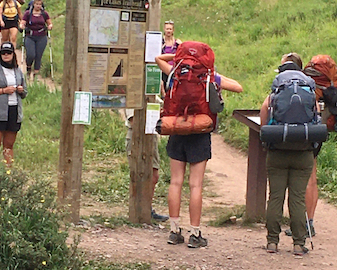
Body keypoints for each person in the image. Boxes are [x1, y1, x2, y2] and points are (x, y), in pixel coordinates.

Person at [155, 51, 243, 248]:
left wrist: (177, 57)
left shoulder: (175, 73)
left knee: (176, 182)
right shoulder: (210, 77)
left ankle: (174, 231)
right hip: (200, 132)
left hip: (177, 129)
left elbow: (158, 59)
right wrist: (213, 74)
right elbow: (239, 87)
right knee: (196, 185)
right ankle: (195, 234)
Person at [260, 52, 315, 256]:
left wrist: (268, 135)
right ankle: (299, 244)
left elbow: (265, 108)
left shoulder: (278, 88)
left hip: (278, 149)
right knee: (297, 198)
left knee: (275, 196)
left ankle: (272, 242)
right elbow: (316, 115)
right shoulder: (307, 88)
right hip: (303, 151)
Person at [0, 42, 27, 166]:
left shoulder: (18, 71)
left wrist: (21, 90)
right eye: (3, 53)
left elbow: (25, 92)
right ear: (0, 54)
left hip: (13, 111)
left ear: (13, 54)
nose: (6, 55)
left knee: (9, 145)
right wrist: (3, 91)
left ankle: (9, 174)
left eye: (9, 53)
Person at [125, 108, 168, 222]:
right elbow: (134, 121)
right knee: (138, 175)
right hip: (137, 137)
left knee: (153, 175)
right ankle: (138, 211)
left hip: (150, 136)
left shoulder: (150, 94)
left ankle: (146, 209)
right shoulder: (134, 96)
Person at [19, 0, 52, 79]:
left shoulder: (44, 14)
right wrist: (22, 26)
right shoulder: (28, 13)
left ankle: (35, 74)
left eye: (40, 4)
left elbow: (49, 23)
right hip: (30, 36)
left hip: (41, 36)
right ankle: (29, 68)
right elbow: (22, 22)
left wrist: (50, 26)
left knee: (38, 55)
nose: (38, 6)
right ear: (33, 4)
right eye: (36, 4)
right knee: (31, 54)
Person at [160, 20, 182, 97]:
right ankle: (164, 97)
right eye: (167, 29)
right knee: (162, 84)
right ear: (164, 29)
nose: (168, 31)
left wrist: (181, 45)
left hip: (174, 69)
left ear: (173, 30)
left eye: (170, 29)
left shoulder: (177, 43)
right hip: (162, 68)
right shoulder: (160, 42)